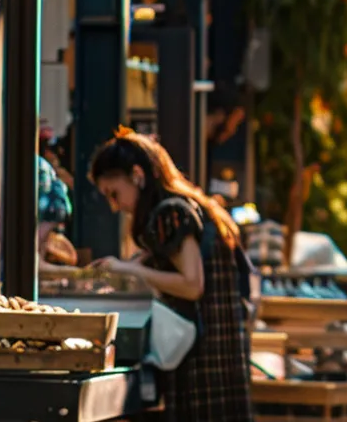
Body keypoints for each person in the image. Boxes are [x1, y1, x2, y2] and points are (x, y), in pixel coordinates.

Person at [87, 128, 254, 421]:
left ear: (137, 175)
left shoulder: (170, 213)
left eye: (114, 194)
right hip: (218, 354)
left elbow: (191, 285)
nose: (115, 206)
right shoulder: (186, 207)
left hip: (201, 362)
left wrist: (130, 269)